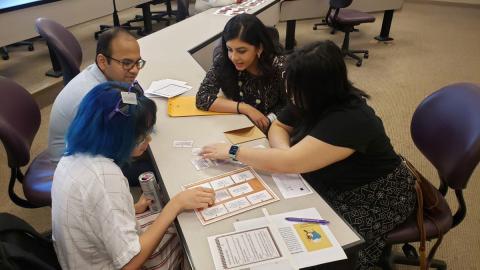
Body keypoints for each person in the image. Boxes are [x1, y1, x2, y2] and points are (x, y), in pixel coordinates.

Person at [201, 41, 417, 269]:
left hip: (374, 198)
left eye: (295, 89)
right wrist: (287, 155)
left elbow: (290, 162)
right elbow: (279, 128)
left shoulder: (350, 120)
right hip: (334, 181)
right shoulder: (312, 98)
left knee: (326, 253)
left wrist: (235, 151)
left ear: (318, 87)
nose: (290, 95)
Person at [51, 81, 215, 270]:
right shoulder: (105, 176)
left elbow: (93, 211)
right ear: (117, 136)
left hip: (80, 259)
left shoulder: (71, 154)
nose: (149, 139)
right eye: (141, 135)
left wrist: (132, 208)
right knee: (188, 237)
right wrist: (175, 205)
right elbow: (130, 263)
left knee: (164, 218)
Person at [47, 27, 149, 185]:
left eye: (137, 62)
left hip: (89, 147)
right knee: (153, 166)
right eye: (127, 63)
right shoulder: (92, 98)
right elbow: (111, 148)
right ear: (102, 61)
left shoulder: (106, 77)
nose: (135, 70)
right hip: (75, 167)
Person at [195, 14, 287, 133]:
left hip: (275, 127)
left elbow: (291, 106)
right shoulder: (224, 60)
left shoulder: (279, 65)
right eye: (230, 49)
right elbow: (202, 98)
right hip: (238, 123)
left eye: (241, 51)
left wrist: (268, 120)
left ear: (259, 48)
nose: (234, 57)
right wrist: (245, 108)